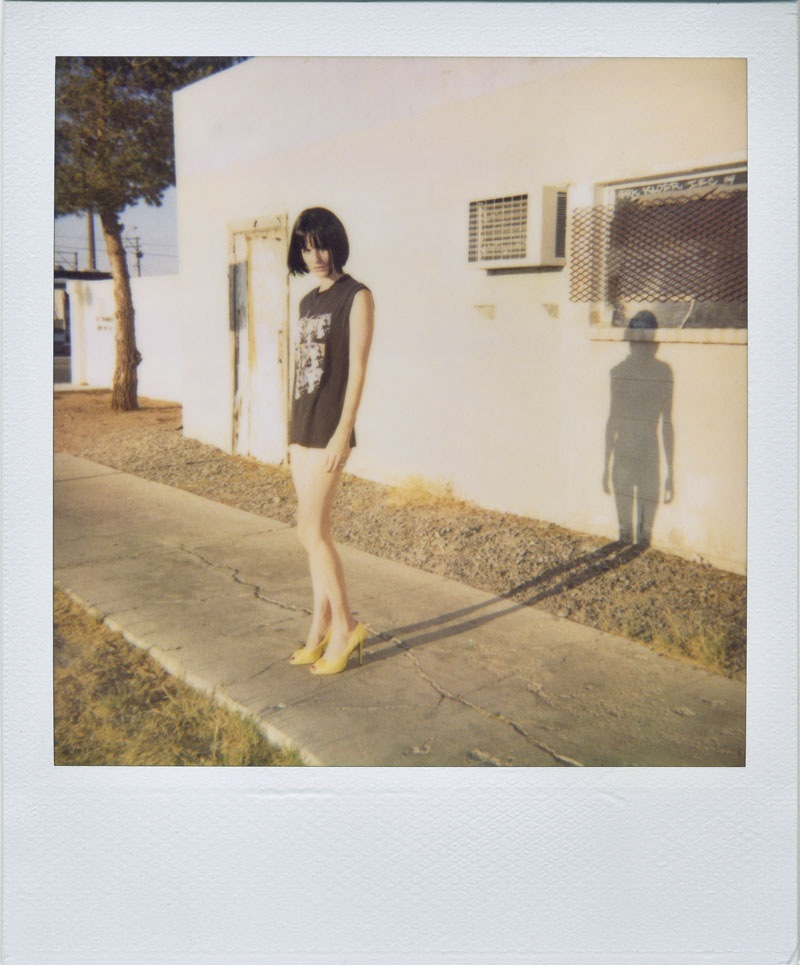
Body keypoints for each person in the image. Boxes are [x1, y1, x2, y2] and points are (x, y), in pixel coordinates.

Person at [285, 207, 375, 675]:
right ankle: (319, 626)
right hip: (302, 428)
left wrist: (343, 431)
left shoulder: (356, 296)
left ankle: (346, 626)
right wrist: (290, 434)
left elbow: (357, 369)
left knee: (311, 532)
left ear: (335, 244)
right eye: (306, 248)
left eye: (321, 245)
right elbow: (302, 370)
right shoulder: (306, 302)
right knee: (315, 533)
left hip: (329, 429)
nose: (315, 256)